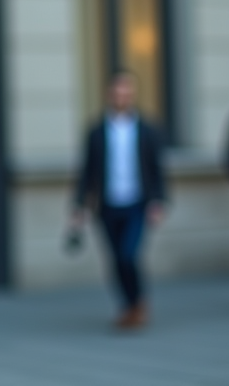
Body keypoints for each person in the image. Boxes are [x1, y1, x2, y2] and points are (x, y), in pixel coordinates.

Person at [71, 70, 167, 329]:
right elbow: (87, 171)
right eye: (117, 91)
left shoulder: (147, 129)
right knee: (115, 260)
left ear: (133, 94)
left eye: (126, 90)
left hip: (138, 203)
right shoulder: (97, 131)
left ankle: (138, 301)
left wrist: (159, 201)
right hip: (107, 205)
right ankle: (129, 306)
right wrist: (79, 205)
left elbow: (157, 169)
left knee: (128, 255)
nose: (121, 95)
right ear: (109, 94)